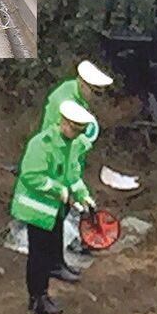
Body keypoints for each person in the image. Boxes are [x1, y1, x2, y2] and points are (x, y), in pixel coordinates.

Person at [12, 100, 98, 314]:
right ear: (65, 123)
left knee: (50, 251)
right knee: (38, 255)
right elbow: (31, 175)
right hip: (37, 208)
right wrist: (59, 191)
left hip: (54, 209)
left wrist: (83, 195)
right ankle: (37, 298)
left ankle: (43, 293)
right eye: (75, 129)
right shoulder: (41, 144)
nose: (77, 134)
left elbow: (73, 175)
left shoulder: (73, 145)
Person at [39, 60, 113, 281]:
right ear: (82, 84)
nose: (95, 98)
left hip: (66, 162)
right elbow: (61, 139)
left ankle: (58, 262)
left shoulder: (77, 98)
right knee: (53, 215)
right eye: (94, 92)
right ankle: (51, 265)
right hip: (53, 162)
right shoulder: (65, 101)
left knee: (60, 215)